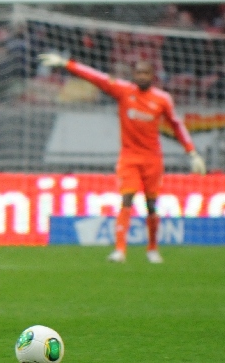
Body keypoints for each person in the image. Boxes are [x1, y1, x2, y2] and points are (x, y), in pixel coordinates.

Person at [38, 53, 206, 264]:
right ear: (134, 75)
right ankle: (120, 250)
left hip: (152, 160)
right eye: (138, 72)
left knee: (151, 205)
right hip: (129, 157)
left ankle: (152, 249)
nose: (141, 76)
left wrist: (192, 152)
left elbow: (177, 125)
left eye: (145, 73)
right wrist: (67, 64)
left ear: (152, 76)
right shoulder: (124, 91)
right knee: (126, 199)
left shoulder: (162, 99)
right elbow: (97, 77)